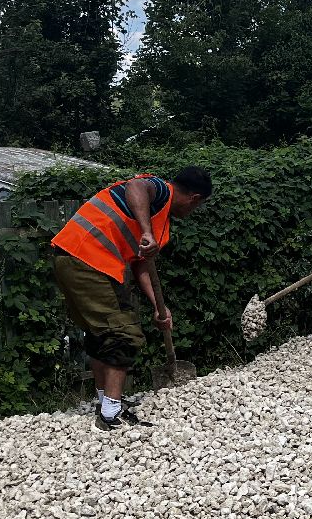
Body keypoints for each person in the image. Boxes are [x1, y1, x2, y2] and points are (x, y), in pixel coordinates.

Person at [51, 166, 213, 430]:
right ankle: (110, 415)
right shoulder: (160, 191)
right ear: (194, 198)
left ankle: (106, 402)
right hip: (85, 258)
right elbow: (135, 187)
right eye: (197, 207)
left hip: (88, 262)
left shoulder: (162, 223)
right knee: (123, 334)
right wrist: (146, 232)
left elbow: (141, 266)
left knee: (101, 333)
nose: (192, 212)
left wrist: (159, 307)